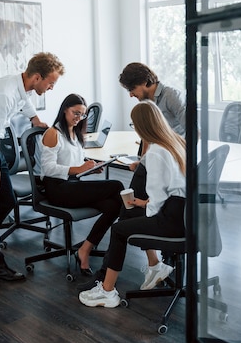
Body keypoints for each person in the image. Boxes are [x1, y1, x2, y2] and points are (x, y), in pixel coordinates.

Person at [0, 52, 64, 282]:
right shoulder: (4, 95)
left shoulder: (19, 85)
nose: (51, 87)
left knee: (7, 201)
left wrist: (34, 118)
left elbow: (24, 100)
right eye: (51, 83)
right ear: (37, 77)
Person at [78, 100, 186, 308]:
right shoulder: (176, 141)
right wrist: (143, 203)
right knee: (131, 214)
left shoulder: (156, 152)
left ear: (141, 126)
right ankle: (155, 266)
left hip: (171, 221)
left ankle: (107, 291)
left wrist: (144, 205)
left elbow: (157, 203)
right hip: (184, 215)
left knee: (119, 229)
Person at [39, 94, 125, 276]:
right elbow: (47, 168)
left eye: (82, 115)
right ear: (64, 110)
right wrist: (78, 169)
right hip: (58, 188)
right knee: (117, 185)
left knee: (113, 205)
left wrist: (89, 168)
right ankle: (128, 232)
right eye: (75, 113)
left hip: (72, 185)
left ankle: (85, 249)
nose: (78, 118)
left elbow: (74, 161)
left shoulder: (76, 132)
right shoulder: (53, 133)